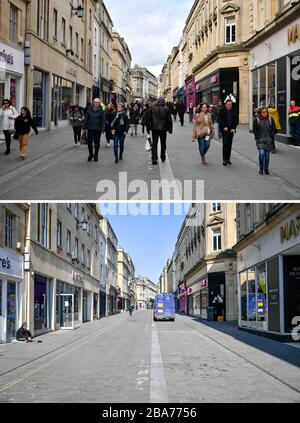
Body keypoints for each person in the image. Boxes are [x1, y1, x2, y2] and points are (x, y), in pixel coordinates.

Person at [149, 97, 173, 166]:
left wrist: (149, 128)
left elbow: (149, 118)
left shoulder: (152, 108)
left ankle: (154, 158)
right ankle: (162, 157)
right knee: (163, 143)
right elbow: (169, 120)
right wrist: (170, 129)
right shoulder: (166, 108)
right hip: (163, 129)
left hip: (154, 128)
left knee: (154, 143)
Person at [253, 107, 276, 175]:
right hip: (260, 140)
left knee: (267, 156)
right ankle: (261, 168)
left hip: (268, 140)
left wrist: (271, 137)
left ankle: (266, 169)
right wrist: (258, 137)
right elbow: (255, 129)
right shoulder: (256, 119)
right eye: (263, 112)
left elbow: (274, 129)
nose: (264, 113)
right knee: (262, 154)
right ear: (260, 112)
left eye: (265, 112)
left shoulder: (270, 119)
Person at [83, 98, 106, 162]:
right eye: (95, 102)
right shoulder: (89, 109)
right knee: (89, 142)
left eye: (98, 102)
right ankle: (91, 154)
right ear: (93, 103)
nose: (96, 103)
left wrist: (103, 127)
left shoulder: (102, 110)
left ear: (99, 103)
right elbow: (86, 118)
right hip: (90, 128)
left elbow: (104, 120)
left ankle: (96, 155)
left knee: (97, 143)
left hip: (98, 129)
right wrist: (84, 126)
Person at [218, 99, 239, 166]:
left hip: (231, 130)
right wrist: (224, 127)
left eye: (230, 105)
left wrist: (234, 128)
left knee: (229, 144)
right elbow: (219, 120)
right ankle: (224, 160)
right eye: (228, 104)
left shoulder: (234, 111)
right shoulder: (221, 111)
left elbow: (236, 120)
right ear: (225, 104)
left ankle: (228, 159)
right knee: (225, 144)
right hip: (224, 130)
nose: (229, 106)